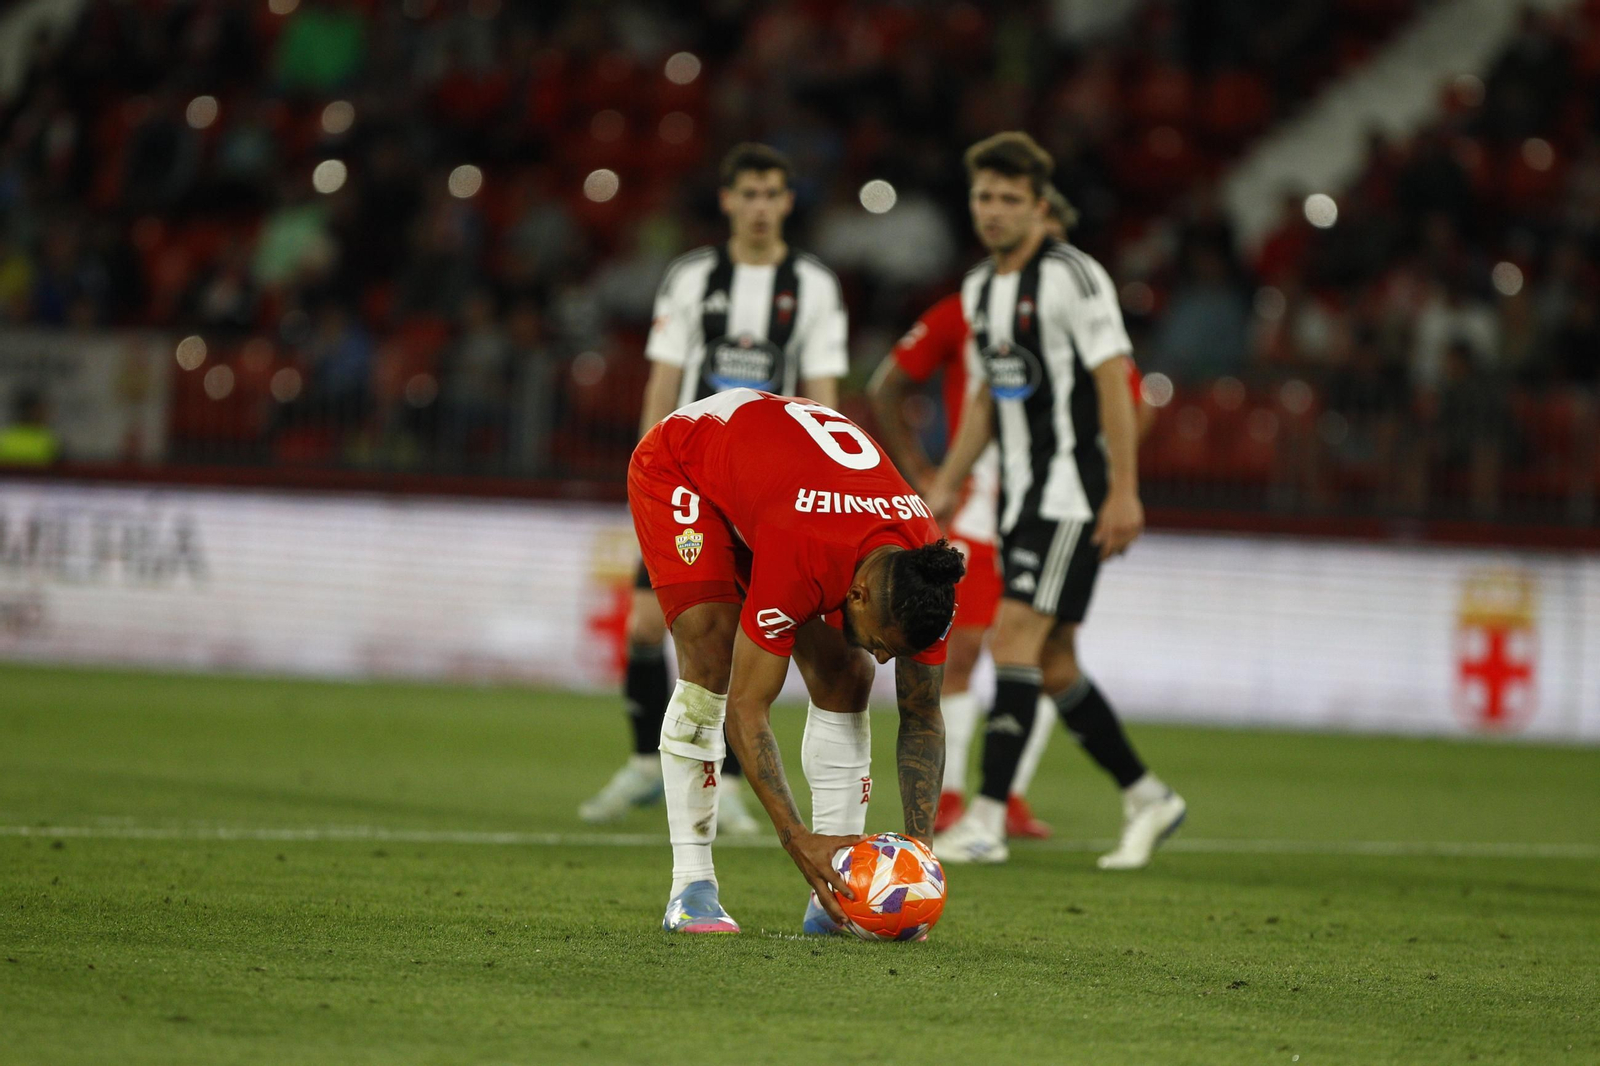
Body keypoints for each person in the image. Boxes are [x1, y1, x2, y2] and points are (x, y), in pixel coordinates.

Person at [928, 132, 1185, 869]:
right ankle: (1147, 796)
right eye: (984, 197)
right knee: (1056, 661)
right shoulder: (981, 289)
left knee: (1012, 641)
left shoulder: (1074, 276)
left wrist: (1124, 491)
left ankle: (983, 819)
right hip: (1019, 500)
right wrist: (948, 481)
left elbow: (1114, 380)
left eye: (1011, 199)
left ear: (1040, 206)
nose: (995, 211)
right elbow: (987, 394)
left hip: (1074, 494)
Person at [868, 185, 1153, 842]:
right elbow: (891, 382)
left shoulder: (1076, 307)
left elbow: (1135, 399)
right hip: (979, 510)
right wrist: (928, 473)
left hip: (1051, 505)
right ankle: (960, 800)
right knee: (969, 649)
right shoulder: (974, 302)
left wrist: (1108, 479)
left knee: (1045, 651)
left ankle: (1006, 799)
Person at [579, 144, 850, 832]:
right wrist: (646, 468)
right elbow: (663, 384)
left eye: (772, 194)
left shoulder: (813, 286)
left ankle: (725, 781)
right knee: (646, 624)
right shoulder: (694, 276)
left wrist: (819, 489)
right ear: (728, 200)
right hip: (688, 483)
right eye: (748, 193)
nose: (760, 206)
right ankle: (645, 762)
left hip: (765, 490)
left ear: (787, 203)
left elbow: (823, 399)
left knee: (733, 639)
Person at [629, 387, 961, 933]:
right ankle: (691, 887)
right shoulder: (803, 549)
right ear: (855, 594)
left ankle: (839, 896)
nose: (883, 658)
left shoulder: (925, 571)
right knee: (712, 660)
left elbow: (923, 714)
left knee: (846, 674)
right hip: (683, 463)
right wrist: (795, 837)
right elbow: (745, 709)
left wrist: (918, 859)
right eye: (883, 643)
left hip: (779, 477)